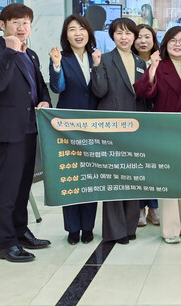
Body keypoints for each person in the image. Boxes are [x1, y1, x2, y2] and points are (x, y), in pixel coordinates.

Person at [0, 3, 52, 263]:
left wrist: (45, 101)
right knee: (8, 189)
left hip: (29, 129)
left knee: (23, 187)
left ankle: (21, 232)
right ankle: (6, 243)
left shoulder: (30, 53)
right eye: (16, 22)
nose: (21, 28)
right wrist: (10, 52)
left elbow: (40, 86)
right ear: (3, 25)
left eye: (26, 23)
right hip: (7, 131)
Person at [134, 27, 181, 243]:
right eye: (173, 40)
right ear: (165, 44)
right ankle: (170, 230)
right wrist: (152, 68)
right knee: (168, 181)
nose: (178, 44)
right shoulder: (159, 66)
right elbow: (144, 92)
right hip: (164, 134)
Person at [91, 17, 149, 244]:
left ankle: (130, 225)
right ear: (112, 36)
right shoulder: (104, 59)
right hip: (112, 127)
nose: (124, 38)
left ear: (134, 36)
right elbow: (99, 91)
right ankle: (115, 231)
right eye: (119, 33)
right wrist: (96, 67)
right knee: (114, 179)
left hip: (135, 128)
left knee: (132, 177)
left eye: (128, 33)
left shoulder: (140, 62)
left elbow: (144, 96)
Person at [48, 15, 99, 245]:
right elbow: (57, 88)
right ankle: (72, 228)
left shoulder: (96, 57)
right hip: (68, 127)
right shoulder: (61, 57)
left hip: (94, 126)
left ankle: (88, 227)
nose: (78, 33)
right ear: (66, 35)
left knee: (91, 176)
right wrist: (56, 65)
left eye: (81, 29)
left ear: (88, 32)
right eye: (72, 29)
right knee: (71, 176)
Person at [132, 24, 161, 227]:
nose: (143, 41)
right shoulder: (128, 61)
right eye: (139, 37)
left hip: (156, 121)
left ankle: (154, 207)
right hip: (134, 120)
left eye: (147, 37)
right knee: (139, 165)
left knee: (155, 166)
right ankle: (140, 207)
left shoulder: (162, 61)